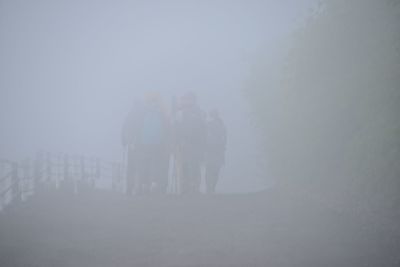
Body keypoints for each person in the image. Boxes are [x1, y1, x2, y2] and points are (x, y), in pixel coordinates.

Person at [122, 92, 170, 195]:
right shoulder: (161, 112)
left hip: (143, 144)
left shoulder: (141, 111)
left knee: (143, 165)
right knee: (153, 165)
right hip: (156, 145)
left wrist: (128, 141)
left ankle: (142, 186)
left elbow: (131, 126)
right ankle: (152, 185)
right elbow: (167, 128)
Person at [174, 92, 206, 194]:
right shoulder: (198, 112)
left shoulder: (183, 113)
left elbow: (177, 128)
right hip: (191, 144)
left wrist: (179, 140)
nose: (185, 101)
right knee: (189, 165)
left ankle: (189, 187)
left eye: (187, 99)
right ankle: (190, 187)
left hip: (189, 144)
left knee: (190, 165)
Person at [205, 109, 227, 194]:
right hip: (217, 151)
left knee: (210, 170)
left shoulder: (208, 125)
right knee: (214, 170)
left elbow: (224, 138)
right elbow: (224, 139)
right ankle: (211, 188)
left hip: (211, 151)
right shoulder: (221, 125)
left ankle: (209, 189)